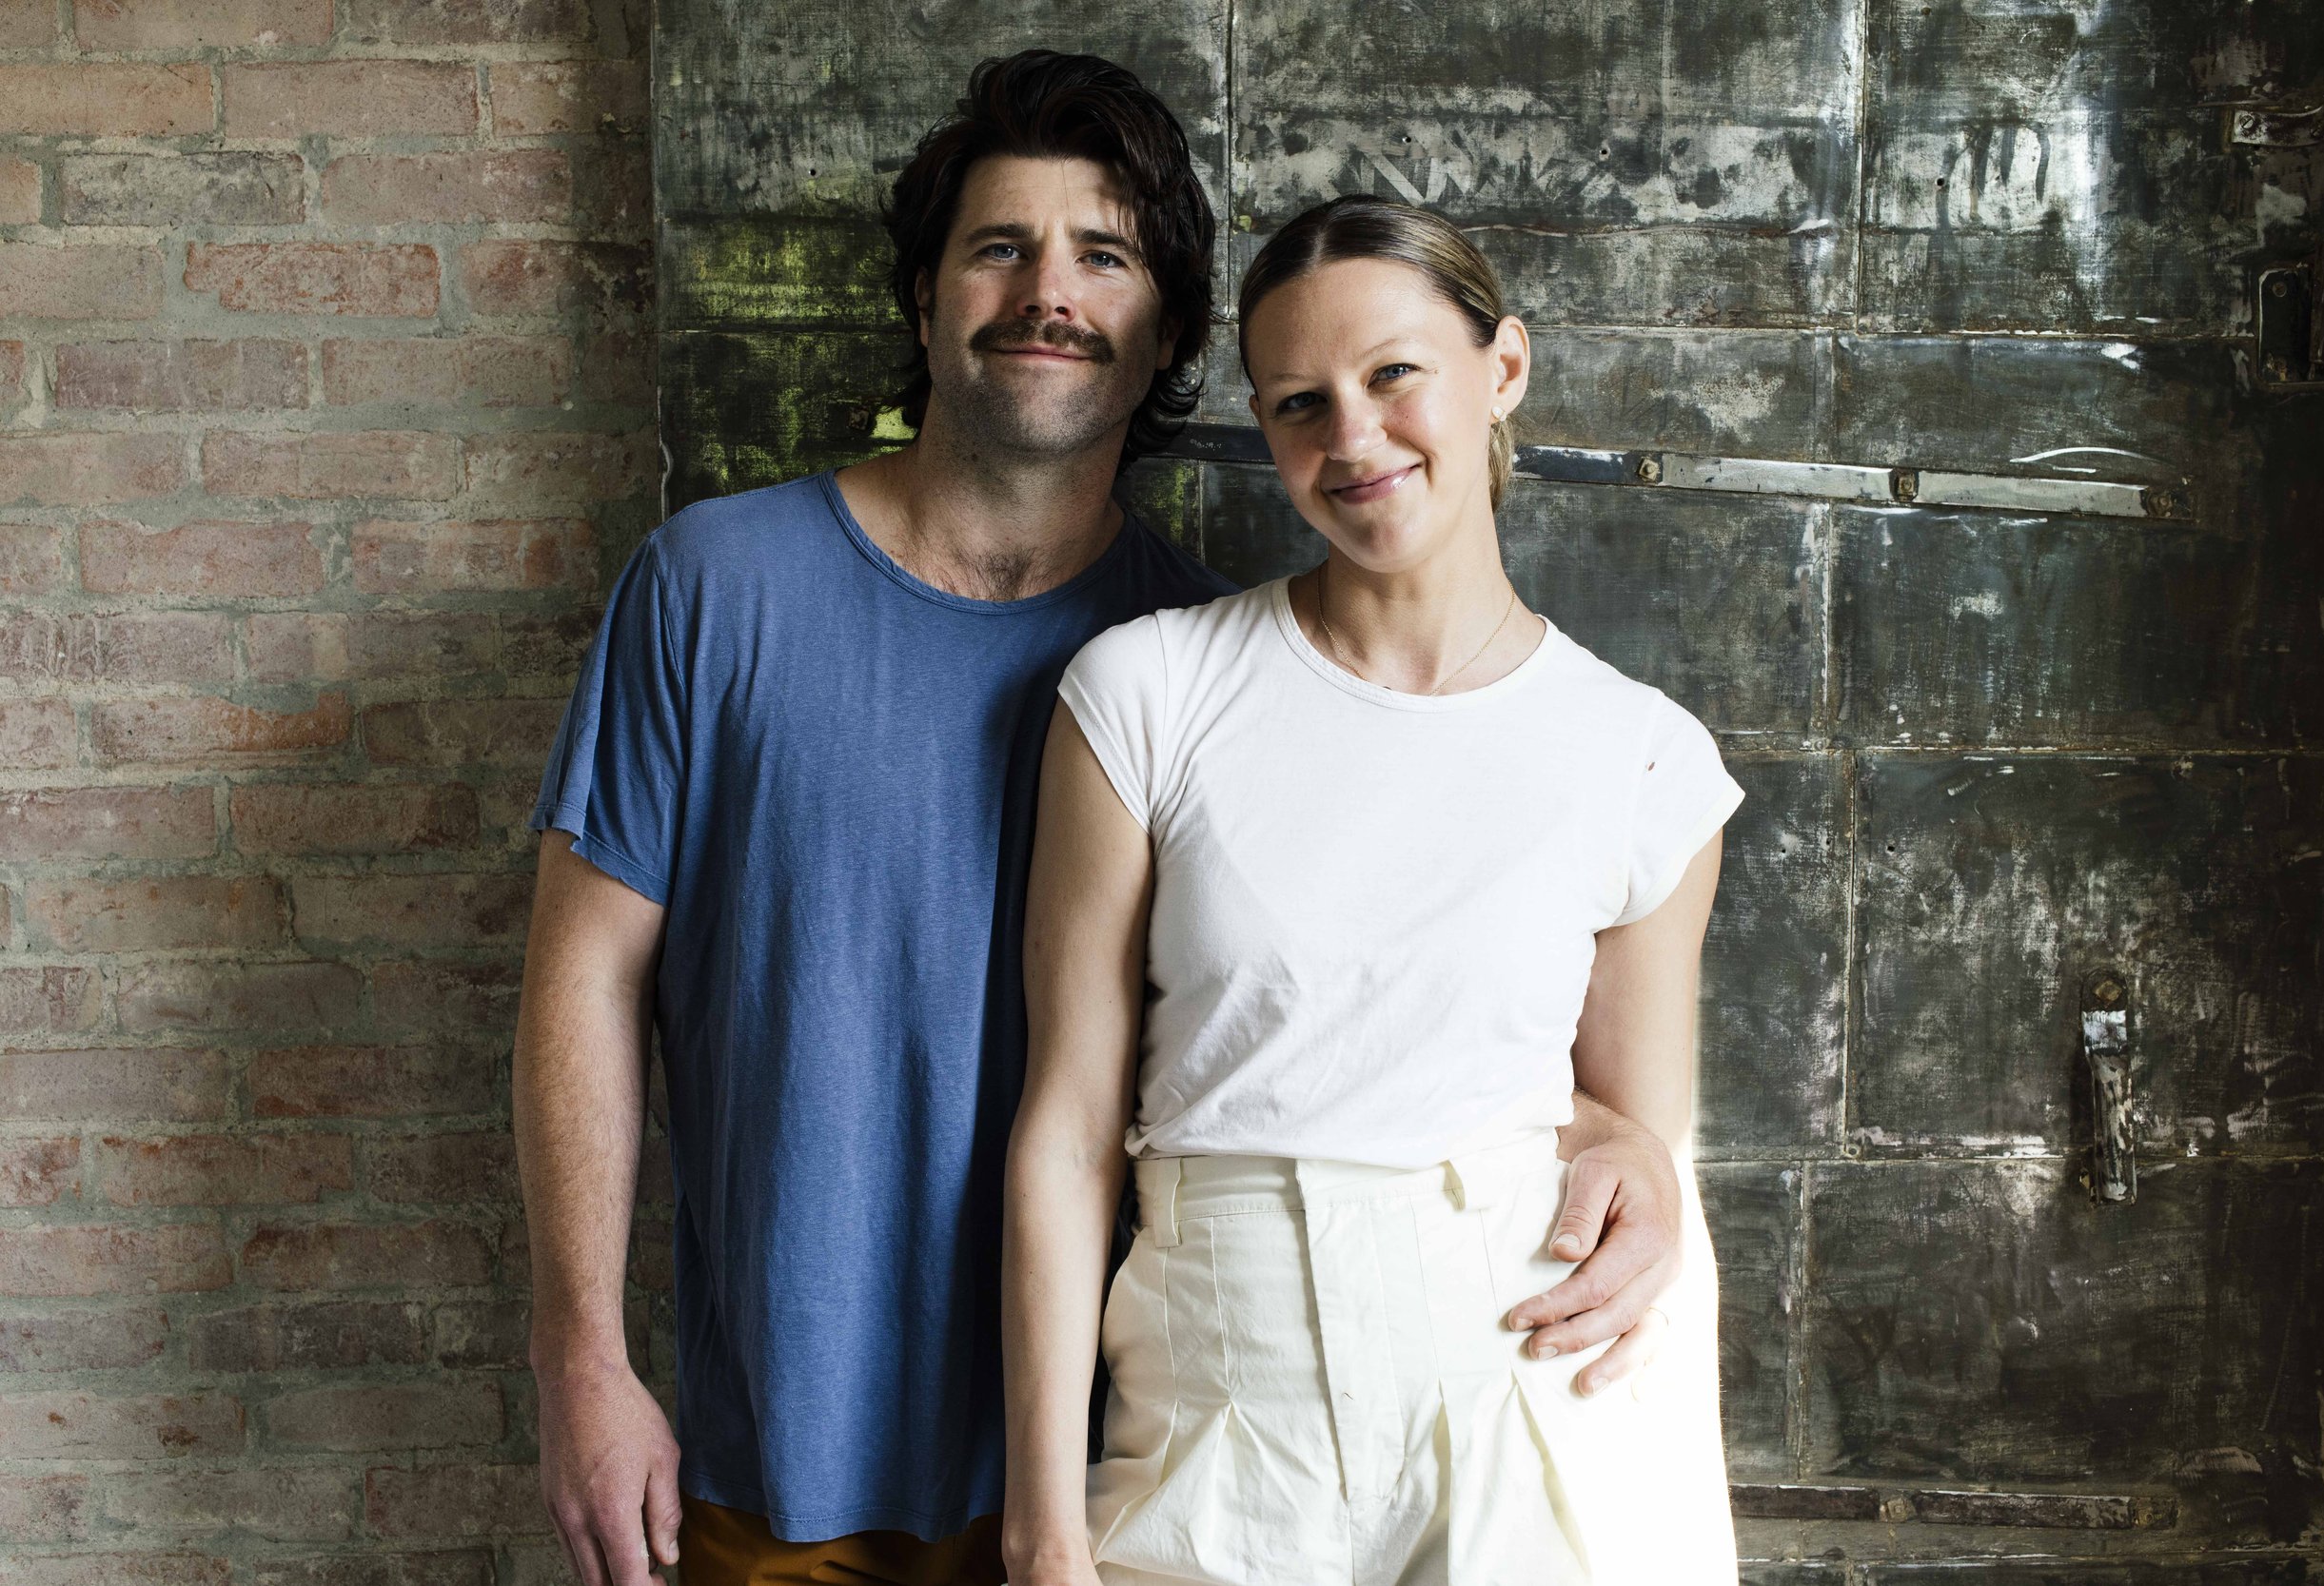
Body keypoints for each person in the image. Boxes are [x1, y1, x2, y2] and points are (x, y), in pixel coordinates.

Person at [514, 51, 1691, 1586]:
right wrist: (582, 1362)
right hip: (778, 1458)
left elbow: (1348, 1019)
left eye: (1104, 259)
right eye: (999, 248)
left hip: (1133, 1462)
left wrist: (1622, 1134)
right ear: (925, 299)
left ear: (1170, 337)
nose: (1047, 294)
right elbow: (583, 980)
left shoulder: (1210, 666)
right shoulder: (713, 588)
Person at [1003, 192, 1743, 1586]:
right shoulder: (1146, 692)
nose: (1351, 438)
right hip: (1225, 1393)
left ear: (1502, 368)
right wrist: (1042, 1529)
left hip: (1531, 1388)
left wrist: (1633, 1151)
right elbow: (1067, 1131)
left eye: (1394, 374)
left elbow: (1639, 1156)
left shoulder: (1643, 758)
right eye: (1300, 403)